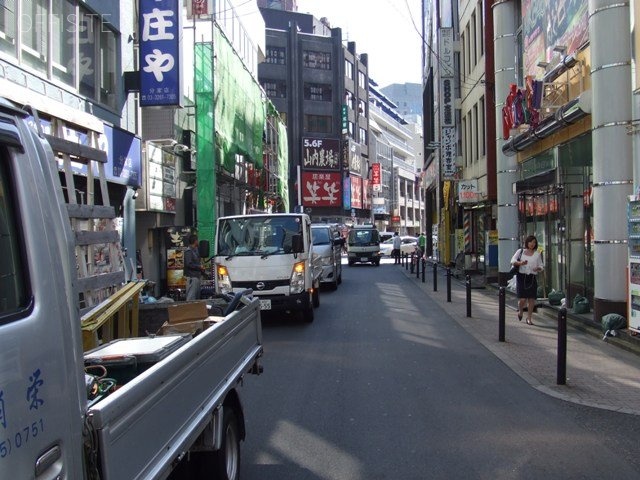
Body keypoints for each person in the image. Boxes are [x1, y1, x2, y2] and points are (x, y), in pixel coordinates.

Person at [511, 235, 544, 325]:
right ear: (527, 243)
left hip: (532, 277)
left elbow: (541, 266)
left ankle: (529, 318)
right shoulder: (520, 251)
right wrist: (520, 263)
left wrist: (538, 268)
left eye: (534, 242)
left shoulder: (537, 254)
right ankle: (521, 310)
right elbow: (512, 261)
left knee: (531, 299)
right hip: (521, 277)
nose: (532, 244)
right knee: (522, 299)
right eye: (530, 242)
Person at [183, 234, 205, 301]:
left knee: (197, 298)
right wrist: (199, 267)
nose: (198, 242)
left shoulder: (196, 250)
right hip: (192, 278)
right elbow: (189, 264)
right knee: (191, 298)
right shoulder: (188, 251)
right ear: (195, 241)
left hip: (197, 277)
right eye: (197, 240)